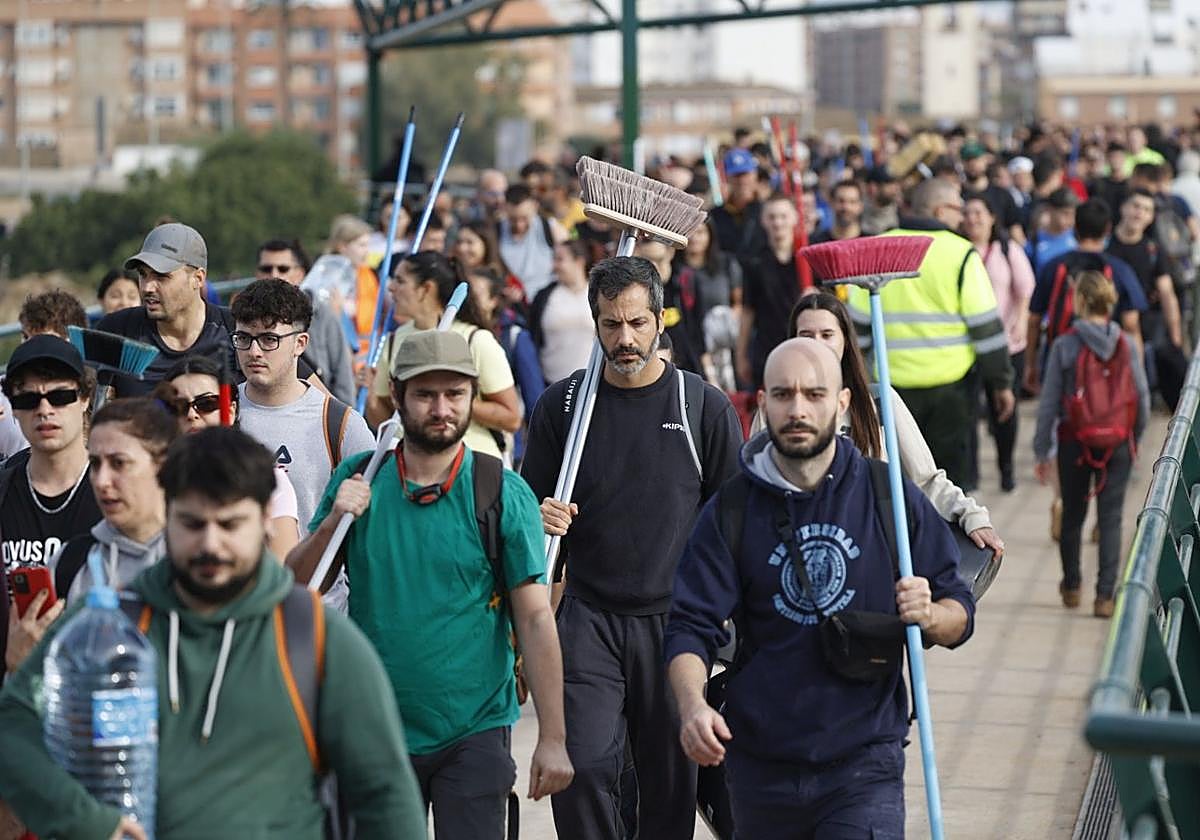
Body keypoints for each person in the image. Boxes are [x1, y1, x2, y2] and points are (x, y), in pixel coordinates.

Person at [0, 426, 428, 839]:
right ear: (168, 514)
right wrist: (80, 820)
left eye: (229, 525)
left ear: (264, 520)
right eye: (192, 523)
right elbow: (13, 724)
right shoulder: (108, 629)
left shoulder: (317, 638)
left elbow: (386, 793)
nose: (210, 544)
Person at [665, 337, 974, 838]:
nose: (798, 408)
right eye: (783, 394)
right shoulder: (733, 508)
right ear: (763, 402)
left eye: (814, 393)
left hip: (863, 767)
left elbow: (959, 610)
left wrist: (931, 615)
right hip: (760, 770)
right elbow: (688, 627)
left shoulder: (888, 495)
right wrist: (693, 706)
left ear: (844, 402)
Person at [288, 330, 574, 837]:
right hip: (377, 727)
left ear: (472, 397)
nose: (442, 408)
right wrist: (334, 520)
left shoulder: (501, 491)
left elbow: (533, 616)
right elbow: (297, 583)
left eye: (455, 394)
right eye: (425, 395)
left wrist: (553, 737)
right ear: (396, 397)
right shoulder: (361, 478)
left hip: (476, 729)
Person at [520, 256, 744, 840]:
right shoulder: (563, 409)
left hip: (677, 624)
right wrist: (540, 518)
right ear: (594, 323)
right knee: (585, 764)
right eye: (611, 324)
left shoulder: (703, 409)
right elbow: (521, 524)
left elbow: (739, 527)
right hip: (587, 617)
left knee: (669, 788)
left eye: (638, 323)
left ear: (660, 320)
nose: (625, 339)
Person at [790, 293, 1003, 556]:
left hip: (873, 553)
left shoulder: (878, 401)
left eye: (827, 334)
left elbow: (926, 479)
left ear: (845, 340)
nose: (817, 345)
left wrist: (971, 515)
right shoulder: (776, 413)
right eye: (806, 335)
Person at [846, 178, 1015, 489]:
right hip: (949, 393)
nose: (963, 216)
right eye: (958, 208)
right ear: (940, 209)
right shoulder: (961, 253)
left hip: (891, 390)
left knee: (900, 484)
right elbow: (986, 330)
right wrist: (1001, 384)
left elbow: (857, 326)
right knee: (950, 486)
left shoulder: (879, 247)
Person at [229, 280, 374, 588]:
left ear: (300, 343)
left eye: (269, 339)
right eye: (243, 338)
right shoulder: (217, 412)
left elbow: (373, 523)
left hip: (319, 605)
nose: (254, 351)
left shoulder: (340, 423)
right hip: (237, 603)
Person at [1033, 271, 1150, 618]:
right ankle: (1105, 596)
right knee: (1110, 518)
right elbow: (1141, 397)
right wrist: (1134, 438)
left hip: (1075, 442)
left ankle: (1071, 586)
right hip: (1117, 442)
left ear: (1079, 301)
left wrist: (1042, 451)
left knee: (1073, 514)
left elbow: (1049, 403)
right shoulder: (1126, 343)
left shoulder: (1065, 345)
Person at [0, 336, 101, 675]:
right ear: (13, 408)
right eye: (28, 399)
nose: (45, 410)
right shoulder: (4, 490)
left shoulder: (116, 491)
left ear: (85, 398)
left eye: (60, 396)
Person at [367, 252, 522, 461]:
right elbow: (386, 419)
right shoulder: (395, 339)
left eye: (400, 280)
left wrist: (450, 400)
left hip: (474, 466)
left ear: (426, 289)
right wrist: (371, 394)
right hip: (410, 468)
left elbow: (511, 419)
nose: (391, 287)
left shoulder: (476, 340)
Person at [154, 355, 302, 562]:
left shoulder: (268, 479)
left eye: (206, 403)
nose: (191, 415)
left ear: (230, 410)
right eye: (178, 407)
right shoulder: (149, 479)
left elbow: (283, 566)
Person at [48, 397, 177, 603]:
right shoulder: (70, 562)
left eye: (119, 463)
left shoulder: (198, 557)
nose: (101, 481)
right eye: (95, 464)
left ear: (162, 465)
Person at [98, 223, 239, 397]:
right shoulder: (116, 330)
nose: (148, 287)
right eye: (143, 274)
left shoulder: (236, 331)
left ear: (198, 278)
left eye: (161, 276)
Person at [1024, 197, 1149, 395]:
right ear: (1108, 229)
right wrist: (1137, 372)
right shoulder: (1119, 270)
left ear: (1075, 227)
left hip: (1061, 361)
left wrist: (1030, 365)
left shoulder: (1054, 267)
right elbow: (1131, 325)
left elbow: (1034, 319)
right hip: (1108, 363)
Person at [963, 193, 1035, 491]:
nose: (973, 219)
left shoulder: (1008, 250)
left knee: (1004, 408)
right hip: (965, 348)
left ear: (992, 217)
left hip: (1006, 343)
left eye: (979, 213)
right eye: (967, 213)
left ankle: (1006, 467)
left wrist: (1020, 316)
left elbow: (1025, 287)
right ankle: (971, 474)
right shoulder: (959, 250)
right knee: (968, 412)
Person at [1106, 189, 1186, 409]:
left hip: (1147, 321)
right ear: (1123, 208)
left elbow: (1167, 293)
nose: (1139, 213)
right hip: (1110, 325)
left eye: (1146, 209)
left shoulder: (1153, 250)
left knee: (1175, 365)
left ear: (1151, 217)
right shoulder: (1106, 246)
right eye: (1136, 206)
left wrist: (1176, 336)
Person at [257, 238, 356, 405]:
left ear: (300, 273)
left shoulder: (323, 315)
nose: (274, 275)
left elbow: (343, 379)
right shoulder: (244, 316)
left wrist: (342, 419)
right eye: (266, 269)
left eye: (283, 269)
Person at [737, 193, 802, 389]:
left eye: (783, 216)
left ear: (794, 218)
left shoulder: (806, 260)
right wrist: (740, 355)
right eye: (772, 217)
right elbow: (748, 311)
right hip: (767, 349)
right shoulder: (755, 262)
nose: (778, 223)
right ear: (764, 221)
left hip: (802, 345)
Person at [530, 240, 595, 385]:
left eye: (560, 259)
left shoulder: (598, 294)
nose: (554, 266)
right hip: (549, 384)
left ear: (579, 261)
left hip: (589, 384)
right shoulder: (544, 296)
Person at [325, 214, 379, 369]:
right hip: (339, 358)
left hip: (368, 359)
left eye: (368, 245)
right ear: (342, 246)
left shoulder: (372, 276)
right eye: (362, 245)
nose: (367, 252)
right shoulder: (326, 276)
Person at [498, 183, 564, 303]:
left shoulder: (550, 228)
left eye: (524, 218)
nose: (519, 225)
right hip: (512, 304)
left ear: (535, 207)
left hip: (547, 300)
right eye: (512, 219)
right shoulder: (496, 232)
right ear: (504, 208)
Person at [710, 147, 765, 262]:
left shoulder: (767, 211)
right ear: (727, 178)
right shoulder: (716, 215)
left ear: (755, 175)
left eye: (745, 174)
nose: (741, 181)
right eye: (736, 175)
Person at [1026, 187, 1079, 275]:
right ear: (1050, 210)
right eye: (1065, 213)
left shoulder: (1078, 238)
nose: (1070, 220)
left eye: (1073, 214)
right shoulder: (1035, 241)